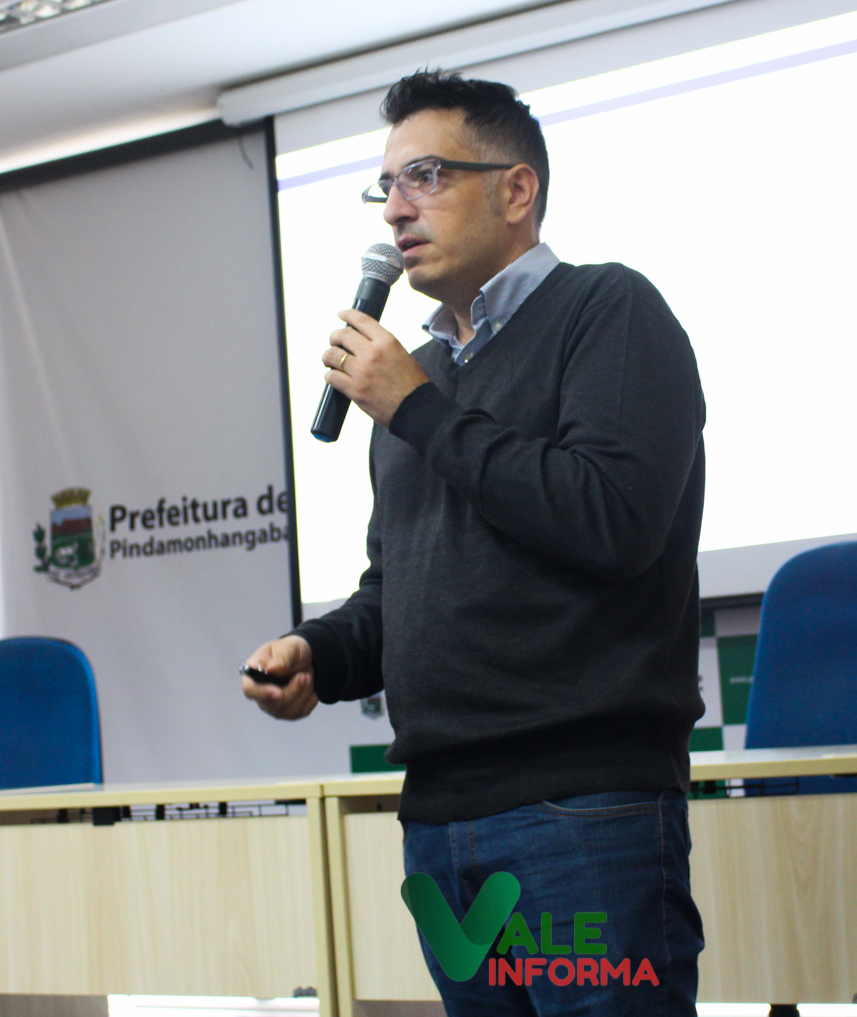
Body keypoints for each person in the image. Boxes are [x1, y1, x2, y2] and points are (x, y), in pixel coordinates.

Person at [243, 70, 706, 1016]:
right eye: (386, 186)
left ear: (516, 189)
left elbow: (610, 518)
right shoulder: (418, 382)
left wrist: (417, 407)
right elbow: (399, 589)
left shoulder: (607, 310)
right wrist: (319, 654)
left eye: (425, 176)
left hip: (581, 809)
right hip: (440, 819)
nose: (395, 209)